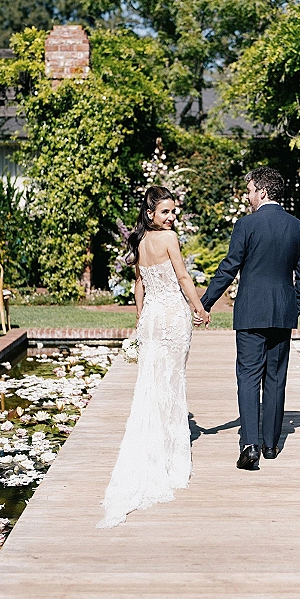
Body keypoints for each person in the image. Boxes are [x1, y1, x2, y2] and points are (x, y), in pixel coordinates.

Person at [97, 186, 210, 528]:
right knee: (172, 383)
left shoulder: (139, 241)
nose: (171, 217)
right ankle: (169, 459)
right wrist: (199, 306)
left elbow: (139, 285)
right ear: (150, 213)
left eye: (173, 211)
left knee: (152, 383)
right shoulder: (170, 238)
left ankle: (154, 450)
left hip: (150, 320)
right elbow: (183, 277)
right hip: (174, 317)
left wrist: (139, 318)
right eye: (165, 212)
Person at [199, 166, 300, 470]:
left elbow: (228, 267)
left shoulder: (246, 225)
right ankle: (272, 445)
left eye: (249, 191)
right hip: (282, 314)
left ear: (262, 191)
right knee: (275, 378)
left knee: (249, 378)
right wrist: (294, 306)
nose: (247, 196)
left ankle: (250, 446)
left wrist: (204, 302)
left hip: (250, 313)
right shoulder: (299, 228)